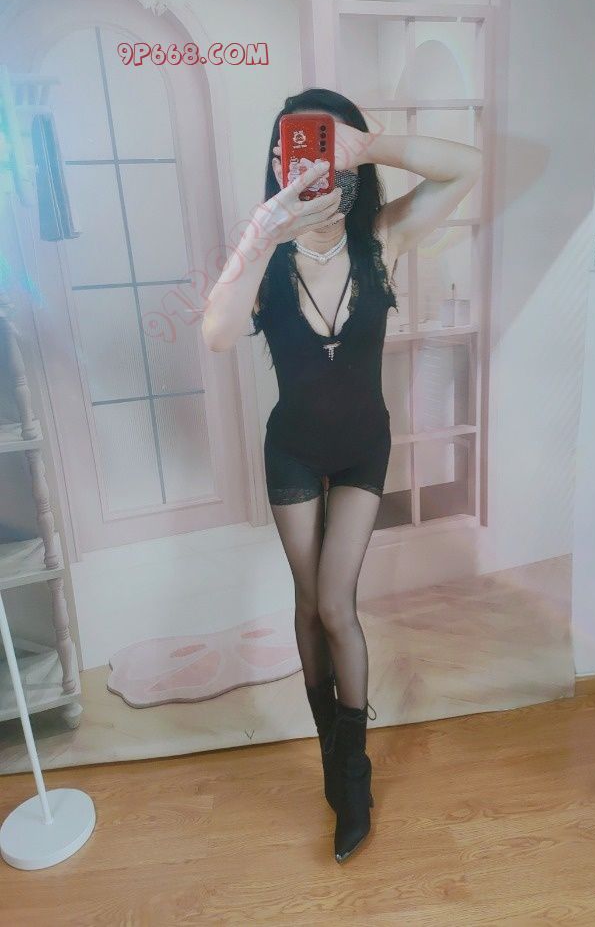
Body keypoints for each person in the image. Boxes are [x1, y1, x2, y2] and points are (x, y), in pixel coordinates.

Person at [203, 88, 482, 862]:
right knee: (307, 605)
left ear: (342, 161)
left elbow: (466, 168)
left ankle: (352, 776)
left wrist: (371, 143)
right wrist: (264, 232)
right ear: (274, 161)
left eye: (319, 149)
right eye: (287, 149)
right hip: (293, 449)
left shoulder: (380, 239)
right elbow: (218, 334)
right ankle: (332, 752)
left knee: (335, 605)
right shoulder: (265, 254)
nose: (298, 162)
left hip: (363, 447)